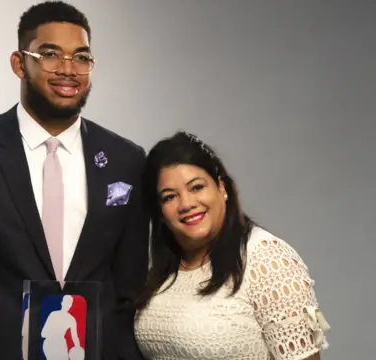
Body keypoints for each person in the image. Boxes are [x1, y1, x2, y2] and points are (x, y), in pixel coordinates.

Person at [0, 2, 150, 359]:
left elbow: (131, 294)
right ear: (20, 63)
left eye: (81, 57)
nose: (68, 70)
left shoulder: (126, 160)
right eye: (50, 54)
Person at [133, 131, 330, 360]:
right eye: (169, 197)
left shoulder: (268, 261)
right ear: (159, 212)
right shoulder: (163, 271)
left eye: (196, 187)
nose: (186, 204)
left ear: (222, 187)